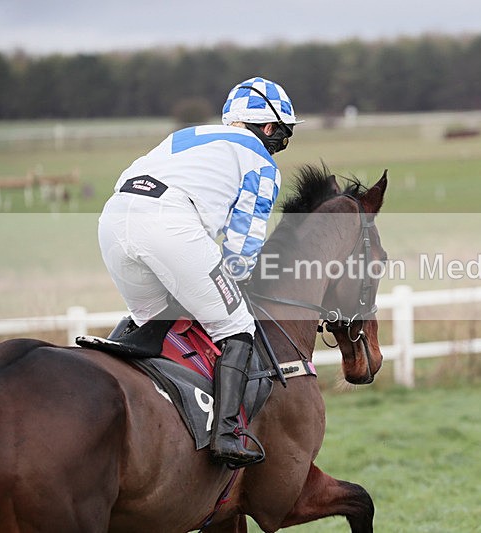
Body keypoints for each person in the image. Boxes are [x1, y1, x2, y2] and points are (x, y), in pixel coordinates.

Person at [95, 76, 301, 467]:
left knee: (158, 321)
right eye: (283, 136)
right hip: (170, 226)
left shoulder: (186, 136)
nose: (280, 146)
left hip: (113, 220)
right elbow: (244, 244)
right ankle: (227, 435)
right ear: (270, 128)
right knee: (236, 325)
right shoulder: (260, 160)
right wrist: (234, 283)